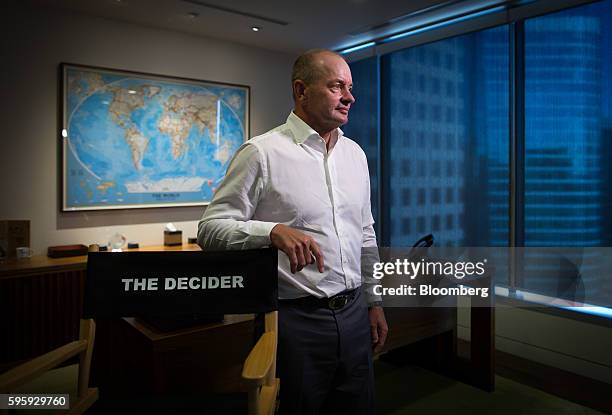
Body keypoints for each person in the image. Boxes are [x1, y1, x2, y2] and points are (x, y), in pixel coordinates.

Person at [197, 48, 387, 415]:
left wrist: (374, 301)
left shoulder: (356, 155)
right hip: (294, 323)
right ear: (301, 91)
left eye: (350, 87)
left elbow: (365, 233)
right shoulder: (261, 153)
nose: (350, 97)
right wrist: (270, 232)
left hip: (354, 315)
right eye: (336, 87)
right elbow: (210, 228)